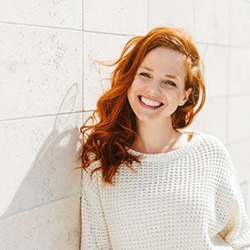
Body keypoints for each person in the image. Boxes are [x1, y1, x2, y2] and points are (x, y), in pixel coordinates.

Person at [80, 27, 250, 249]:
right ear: (131, 78)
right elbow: (95, 245)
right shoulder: (102, 160)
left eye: (170, 82)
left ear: (184, 95)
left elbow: (241, 238)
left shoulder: (210, 153)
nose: (153, 89)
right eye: (145, 74)